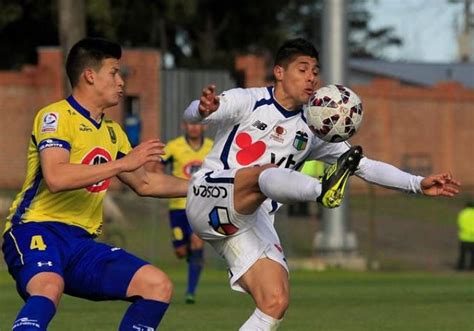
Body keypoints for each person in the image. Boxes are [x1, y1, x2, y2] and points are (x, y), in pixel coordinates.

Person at [183, 38, 461, 330]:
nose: (311, 77)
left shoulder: (314, 127)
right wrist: (202, 110)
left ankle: (322, 188)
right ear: (279, 72)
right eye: (303, 69)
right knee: (261, 173)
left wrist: (417, 183)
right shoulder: (249, 100)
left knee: (275, 302)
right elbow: (195, 113)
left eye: (315, 71)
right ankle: (321, 189)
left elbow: (362, 165)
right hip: (210, 194)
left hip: (250, 218)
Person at [2, 38, 188, 331]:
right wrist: (122, 164)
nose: (121, 81)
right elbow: (56, 177)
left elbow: (146, 182)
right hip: (35, 228)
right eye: (114, 72)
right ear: (90, 75)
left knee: (157, 285)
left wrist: (205, 185)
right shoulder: (56, 116)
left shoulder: (113, 133)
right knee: (49, 286)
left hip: (81, 244)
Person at [160, 120, 213, 303]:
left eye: (198, 124)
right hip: (177, 207)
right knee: (182, 252)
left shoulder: (212, 147)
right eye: (190, 124)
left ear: (204, 126)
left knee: (197, 242)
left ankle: (191, 292)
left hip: (201, 205)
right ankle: (194, 258)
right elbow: (157, 166)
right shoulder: (174, 146)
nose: (194, 127)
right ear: (184, 126)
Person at [456, 201, 474, 270]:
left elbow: (460, 223)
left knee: (462, 254)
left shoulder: (463, 213)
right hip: (473, 238)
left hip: (464, 237)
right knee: (473, 256)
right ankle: (471, 268)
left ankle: (461, 267)